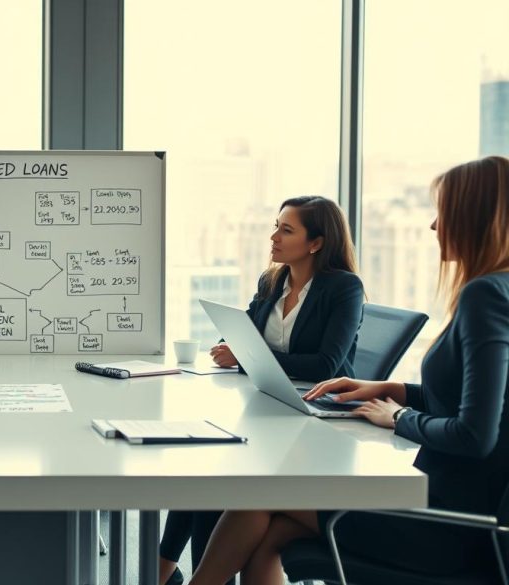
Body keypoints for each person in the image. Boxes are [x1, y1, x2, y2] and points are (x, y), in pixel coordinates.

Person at [189, 156, 509, 585]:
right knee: (271, 530)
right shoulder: (498, 290)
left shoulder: (484, 296)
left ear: (476, 218)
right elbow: (474, 400)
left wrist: (399, 417)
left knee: (260, 496)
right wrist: (389, 388)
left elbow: (475, 434)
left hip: (446, 524)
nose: (434, 226)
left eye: (444, 213)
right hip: (447, 507)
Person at [159, 195, 364, 585]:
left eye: (286, 230)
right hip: (269, 407)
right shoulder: (272, 281)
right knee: (206, 463)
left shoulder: (344, 288)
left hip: (318, 421)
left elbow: (326, 365)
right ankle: (166, 568)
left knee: (220, 476)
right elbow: (245, 336)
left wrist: (249, 357)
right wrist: (232, 346)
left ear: (316, 243)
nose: (274, 237)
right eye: (276, 226)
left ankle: (172, 571)